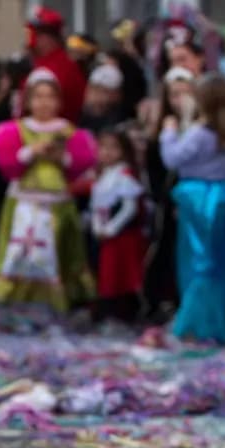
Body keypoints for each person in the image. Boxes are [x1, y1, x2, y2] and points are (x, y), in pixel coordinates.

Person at [0, 68, 96, 314]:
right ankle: (16, 299)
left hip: (57, 203)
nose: (44, 103)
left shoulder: (69, 132)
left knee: (55, 254)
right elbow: (8, 166)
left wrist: (62, 158)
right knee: (22, 252)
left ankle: (57, 300)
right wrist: (31, 152)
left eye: (50, 96)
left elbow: (81, 167)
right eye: (38, 96)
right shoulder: (14, 131)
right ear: (28, 101)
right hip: (24, 202)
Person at [159, 74, 225, 344]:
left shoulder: (200, 133)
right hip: (222, 194)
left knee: (198, 261)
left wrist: (168, 132)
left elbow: (172, 159)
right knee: (221, 261)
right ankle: (222, 321)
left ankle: (195, 323)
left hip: (197, 199)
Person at [143, 67, 198, 321]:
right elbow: (157, 167)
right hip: (168, 200)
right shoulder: (162, 130)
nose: (180, 100)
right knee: (165, 247)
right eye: (174, 95)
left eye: (185, 93)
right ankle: (158, 299)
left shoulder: (199, 129)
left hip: (195, 199)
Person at [89, 129, 146, 323]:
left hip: (122, 236)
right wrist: (97, 226)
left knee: (120, 274)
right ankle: (106, 310)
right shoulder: (102, 175)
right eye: (103, 147)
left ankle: (122, 311)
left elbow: (129, 208)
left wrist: (111, 229)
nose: (107, 152)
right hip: (105, 234)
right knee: (106, 273)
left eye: (113, 148)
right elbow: (97, 206)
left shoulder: (124, 174)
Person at [27, 8, 86, 122]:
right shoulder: (38, 62)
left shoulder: (64, 67)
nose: (31, 39)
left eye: (35, 34)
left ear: (47, 37)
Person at [80, 64, 127, 133]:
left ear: (117, 94)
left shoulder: (120, 124)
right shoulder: (79, 114)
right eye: (95, 89)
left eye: (105, 91)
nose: (98, 97)